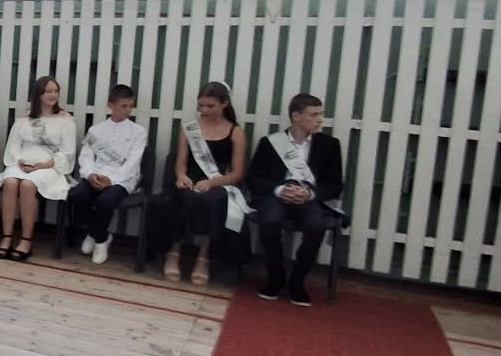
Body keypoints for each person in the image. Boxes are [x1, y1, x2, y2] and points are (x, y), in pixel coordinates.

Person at [248, 93, 347, 306]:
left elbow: (335, 184)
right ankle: (275, 278)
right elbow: (254, 179)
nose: (320, 120)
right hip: (276, 196)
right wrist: (279, 190)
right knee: (270, 222)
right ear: (296, 116)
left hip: (308, 198)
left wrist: (311, 194)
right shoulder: (270, 143)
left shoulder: (329, 145)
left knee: (316, 225)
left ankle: (297, 281)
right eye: (313, 115)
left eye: (321, 114)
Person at [162, 80, 249, 286]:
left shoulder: (235, 132)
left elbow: (237, 173)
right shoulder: (189, 128)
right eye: (201, 105)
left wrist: (212, 183)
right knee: (183, 198)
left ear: (224, 104)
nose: (204, 110)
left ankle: (204, 257)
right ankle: (173, 252)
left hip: (218, 181)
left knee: (214, 201)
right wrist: (181, 176)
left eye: (210, 106)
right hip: (190, 180)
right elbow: (181, 162)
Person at [0, 76, 79, 261]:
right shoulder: (25, 119)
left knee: (28, 185)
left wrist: (45, 164)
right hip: (23, 162)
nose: (53, 95)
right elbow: (13, 147)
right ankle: (7, 237)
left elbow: (68, 152)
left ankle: (26, 240)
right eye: (48, 91)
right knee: (10, 182)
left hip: (50, 166)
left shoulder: (65, 119)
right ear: (38, 94)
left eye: (56, 91)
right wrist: (20, 160)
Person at [68, 84, 147, 267]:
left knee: (105, 201)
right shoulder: (96, 130)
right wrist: (90, 175)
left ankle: (97, 238)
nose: (128, 110)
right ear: (111, 105)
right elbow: (86, 157)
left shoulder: (138, 131)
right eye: (123, 106)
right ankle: (101, 235)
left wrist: (112, 180)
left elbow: (133, 161)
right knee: (78, 196)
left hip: (122, 179)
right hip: (96, 175)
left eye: (131, 106)